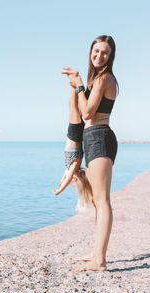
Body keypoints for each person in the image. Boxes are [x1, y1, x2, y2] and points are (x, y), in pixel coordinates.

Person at [62, 35, 118, 271]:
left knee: (102, 201)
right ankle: (96, 253)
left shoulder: (105, 78)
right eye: (96, 51)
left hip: (100, 137)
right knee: (97, 202)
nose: (99, 56)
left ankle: (100, 261)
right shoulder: (98, 78)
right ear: (90, 52)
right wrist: (79, 85)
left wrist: (80, 86)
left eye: (105, 52)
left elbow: (87, 113)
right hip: (93, 137)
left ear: (111, 56)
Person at [52, 86, 92, 212]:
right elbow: (68, 177)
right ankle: (74, 84)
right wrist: (60, 190)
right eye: (72, 183)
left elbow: (65, 176)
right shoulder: (75, 165)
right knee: (72, 104)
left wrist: (61, 182)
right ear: (74, 179)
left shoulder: (71, 168)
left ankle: (80, 89)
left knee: (74, 105)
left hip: (73, 133)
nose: (70, 182)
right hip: (74, 133)